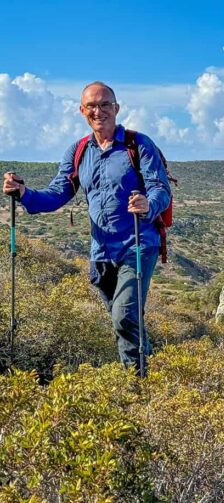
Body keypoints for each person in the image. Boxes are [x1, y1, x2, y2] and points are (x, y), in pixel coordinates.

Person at [2, 81, 171, 373]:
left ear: (116, 109)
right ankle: (153, 370)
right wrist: (23, 193)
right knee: (126, 320)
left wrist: (148, 204)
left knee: (124, 315)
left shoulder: (138, 145)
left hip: (139, 245)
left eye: (105, 105)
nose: (99, 111)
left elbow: (160, 188)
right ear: (82, 111)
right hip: (101, 252)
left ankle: (137, 386)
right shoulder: (79, 151)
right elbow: (57, 194)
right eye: (92, 106)